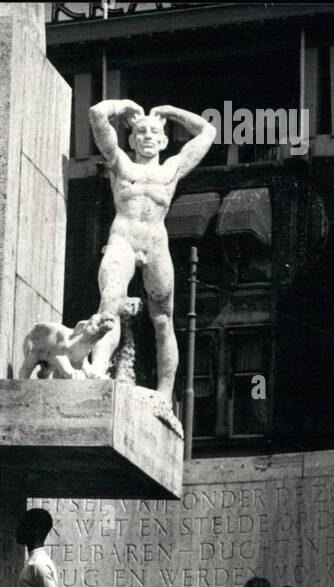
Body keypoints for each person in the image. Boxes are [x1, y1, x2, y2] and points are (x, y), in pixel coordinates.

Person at [86, 98, 216, 388]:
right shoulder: (120, 162)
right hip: (123, 237)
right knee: (110, 299)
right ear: (131, 140)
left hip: (156, 242)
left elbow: (207, 132)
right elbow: (96, 114)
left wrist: (171, 111)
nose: (147, 137)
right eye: (141, 132)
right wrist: (121, 105)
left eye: (154, 133)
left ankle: (165, 394)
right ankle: (97, 369)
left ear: (164, 141)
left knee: (162, 319)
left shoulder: (172, 169)